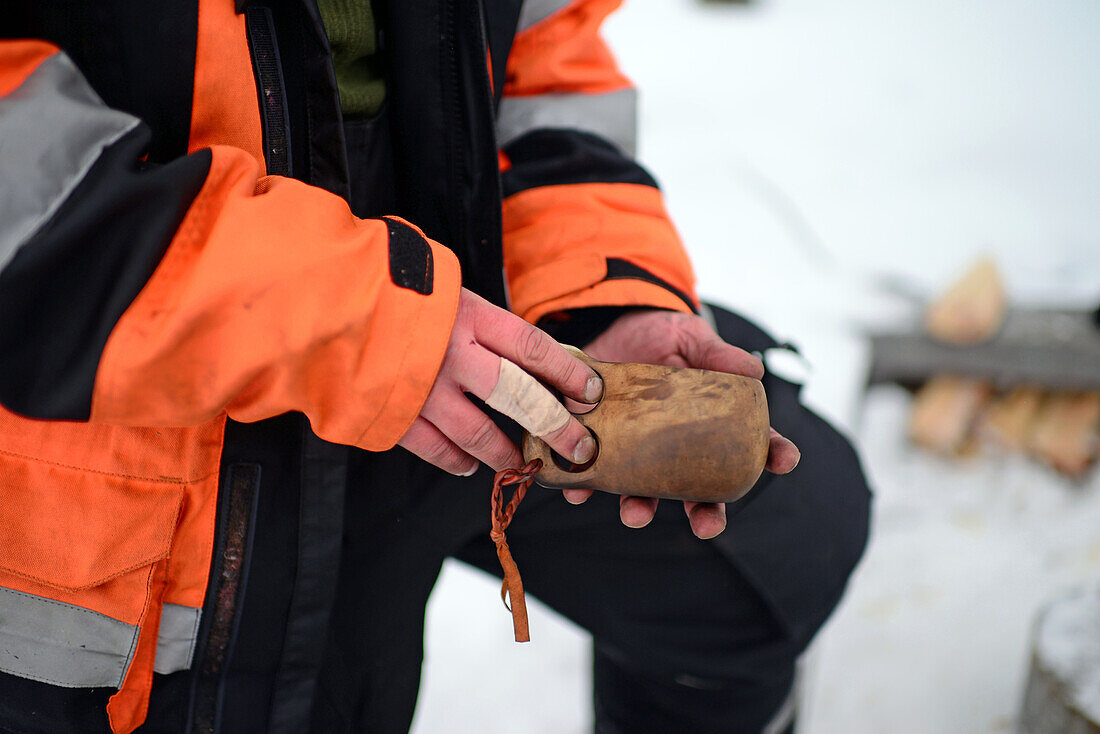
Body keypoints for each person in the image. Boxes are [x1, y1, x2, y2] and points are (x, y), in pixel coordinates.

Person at [0, 1, 870, 733]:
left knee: (787, 534)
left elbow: (544, 49)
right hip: (122, 401)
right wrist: (346, 324)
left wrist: (594, 294)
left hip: (444, 320)